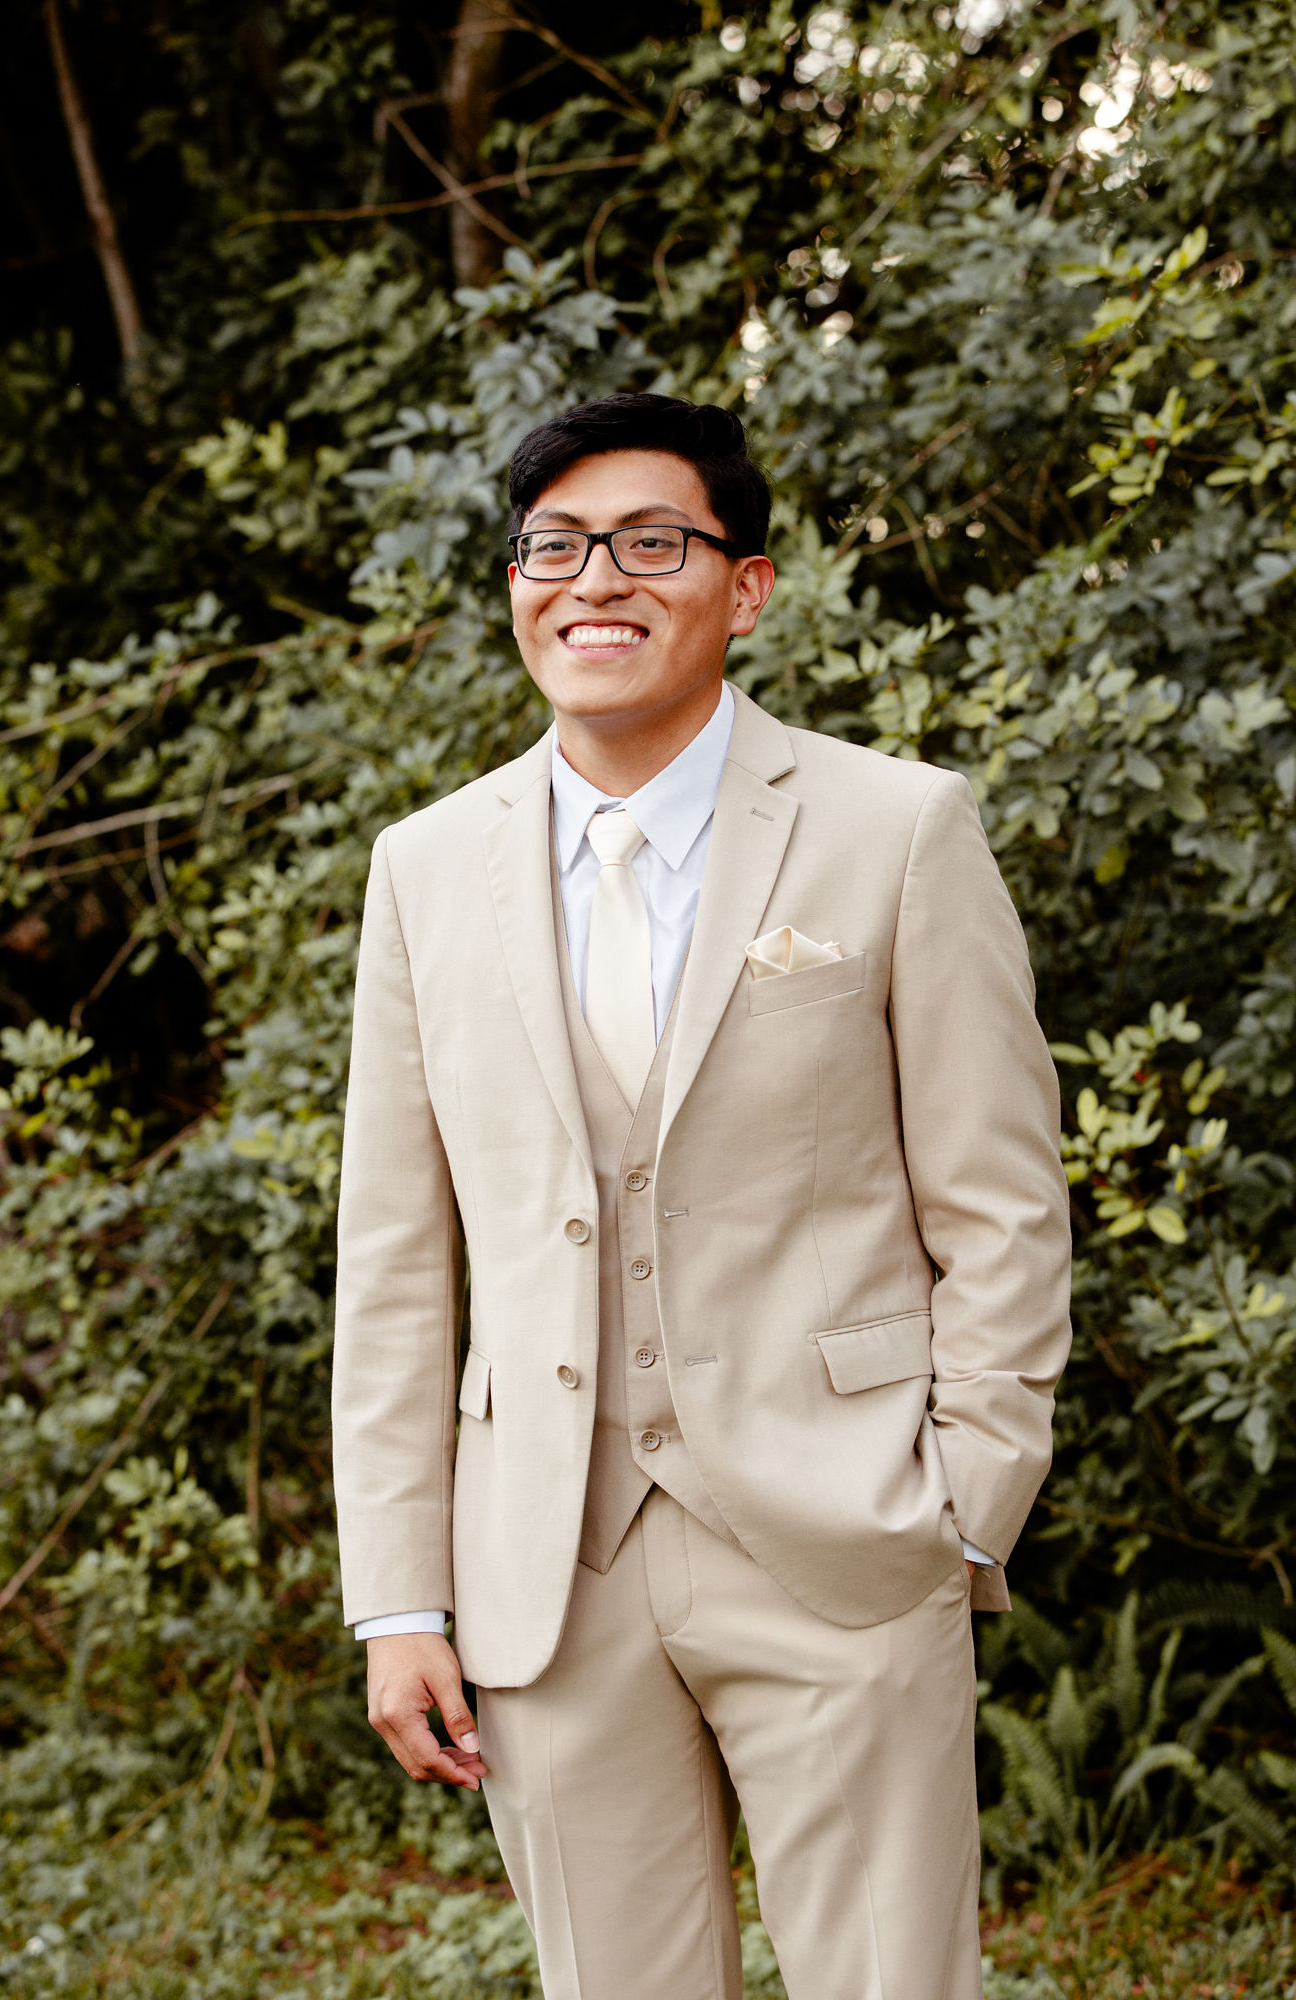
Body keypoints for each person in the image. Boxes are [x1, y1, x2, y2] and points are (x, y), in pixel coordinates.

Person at [331, 392, 1072, 2000]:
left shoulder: (896, 829)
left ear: (743, 588)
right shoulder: (425, 869)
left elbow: (1001, 1206)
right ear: (515, 584)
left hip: (845, 1535)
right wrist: (397, 1596)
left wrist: (963, 1501)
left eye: (650, 542)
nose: (594, 580)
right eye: (552, 546)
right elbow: (392, 1262)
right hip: (545, 1571)